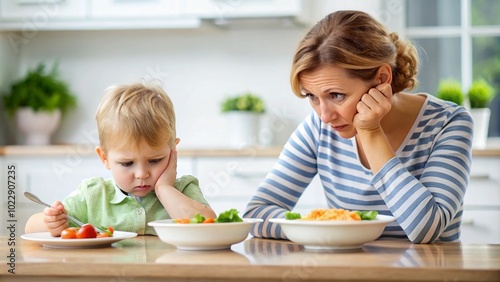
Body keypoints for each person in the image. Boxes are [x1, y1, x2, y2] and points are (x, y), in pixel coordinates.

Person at [243, 10, 473, 243]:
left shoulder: (448, 123)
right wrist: (327, 225)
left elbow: (426, 229)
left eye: (336, 95)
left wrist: (370, 132)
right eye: (312, 96)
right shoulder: (319, 129)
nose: (324, 115)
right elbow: (257, 213)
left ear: (382, 78)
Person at [25, 81, 216, 236]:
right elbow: (30, 228)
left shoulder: (183, 189)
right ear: (105, 158)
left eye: (155, 160)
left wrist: (164, 188)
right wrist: (51, 222)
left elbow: (210, 228)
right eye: (127, 163)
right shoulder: (94, 194)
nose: (142, 174)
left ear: (173, 151)